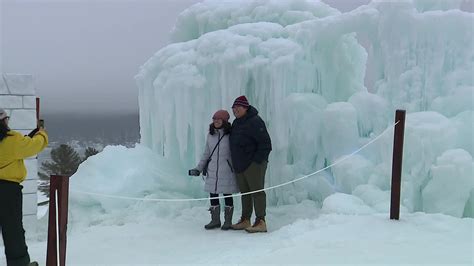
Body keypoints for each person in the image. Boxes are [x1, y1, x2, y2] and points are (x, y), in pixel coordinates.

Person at [0, 108, 48, 266]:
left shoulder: (14, 141)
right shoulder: (11, 140)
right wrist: (41, 133)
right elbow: (34, 146)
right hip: (7, 191)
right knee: (13, 230)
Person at [189, 110, 239, 230]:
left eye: (219, 119)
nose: (216, 121)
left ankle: (228, 221)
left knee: (227, 195)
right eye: (214, 119)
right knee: (213, 195)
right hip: (212, 170)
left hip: (227, 170)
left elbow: (236, 153)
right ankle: (215, 220)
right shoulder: (211, 135)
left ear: (225, 121)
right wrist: (199, 168)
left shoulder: (231, 134)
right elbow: (206, 154)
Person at [229, 96, 272, 233]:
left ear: (245, 108)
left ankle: (261, 221)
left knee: (257, 192)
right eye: (233, 108)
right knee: (245, 193)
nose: (235, 110)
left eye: (238, 107)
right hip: (240, 164)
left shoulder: (255, 121)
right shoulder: (236, 123)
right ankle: (245, 219)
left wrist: (257, 161)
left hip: (254, 164)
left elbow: (265, 144)